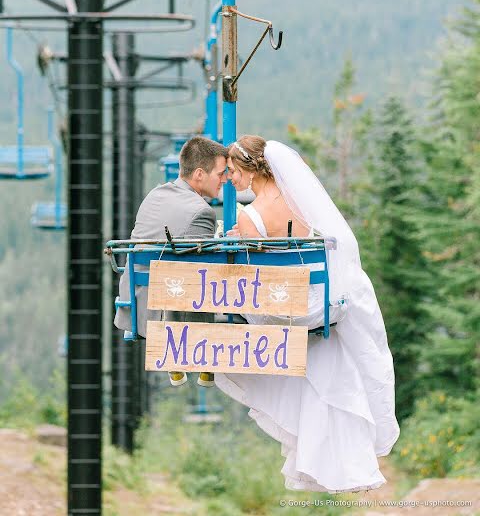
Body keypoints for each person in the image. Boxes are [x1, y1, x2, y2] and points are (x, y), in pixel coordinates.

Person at [215, 134, 400, 493]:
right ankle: (336, 450)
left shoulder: (248, 214)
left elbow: (259, 277)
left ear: (252, 170)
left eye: (235, 171)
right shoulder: (301, 202)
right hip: (317, 300)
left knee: (231, 331)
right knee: (326, 363)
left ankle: (311, 441)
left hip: (283, 307)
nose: (232, 179)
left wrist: (238, 239)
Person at [114, 136, 228, 387]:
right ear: (200, 174)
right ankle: (206, 363)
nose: (225, 179)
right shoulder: (202, 211)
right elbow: (204, 266)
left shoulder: (157, 194)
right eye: (220, 173)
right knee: (208, 279)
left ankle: (178, 367)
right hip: (164, 311)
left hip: (134, 301)